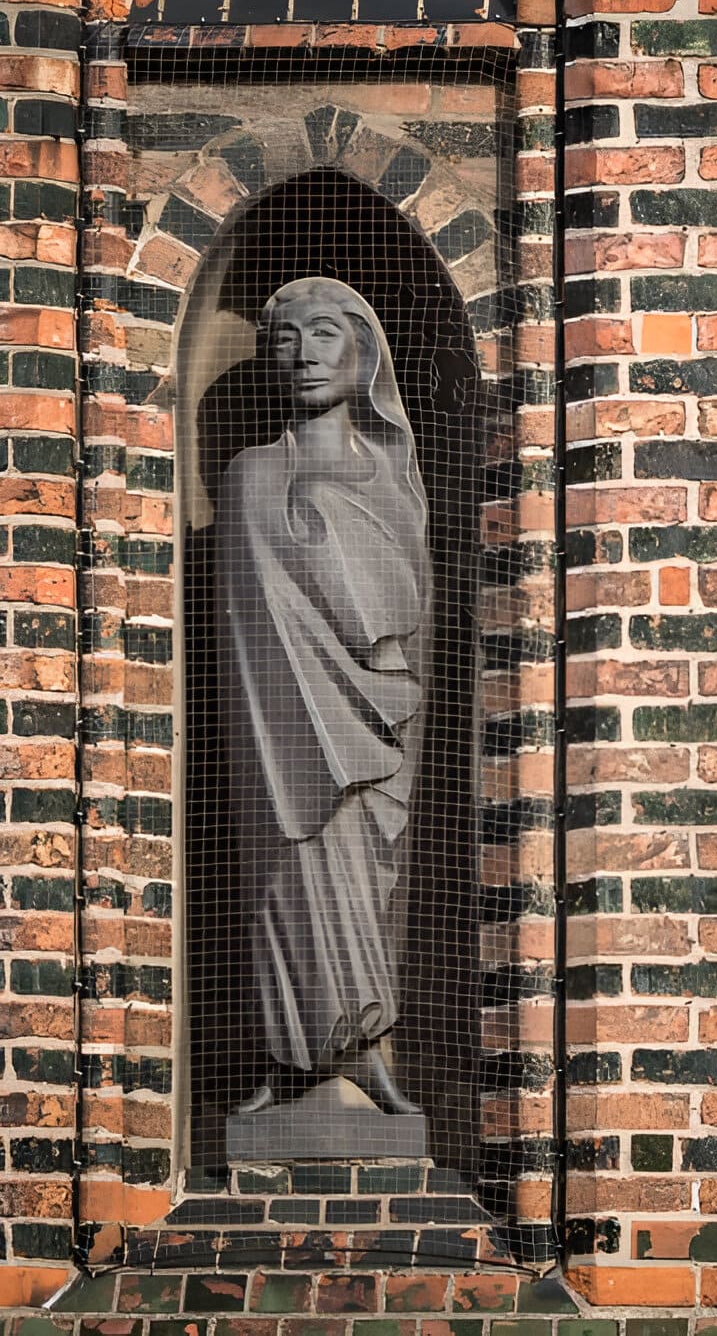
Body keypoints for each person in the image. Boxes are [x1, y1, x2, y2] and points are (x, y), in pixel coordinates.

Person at [221, 277, 429, 1120]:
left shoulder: (395, 479)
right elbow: (250, 611)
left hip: (374, 719)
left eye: (324, 335)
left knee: (370, 876)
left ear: (364, 354)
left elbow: (402, 601)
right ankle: (288, 1059)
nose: (303, 355)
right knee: (284, 876)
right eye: (284, 339)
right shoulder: (250, 472)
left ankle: (370, 1054)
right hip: (277, 725)